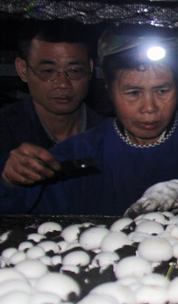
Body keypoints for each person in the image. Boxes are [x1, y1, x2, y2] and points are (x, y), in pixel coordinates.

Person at [0, 26, 178, 216]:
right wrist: (11, 181)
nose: (149, 108)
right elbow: (20, 214)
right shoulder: (80, 154)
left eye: (162, 90)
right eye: (133, 92)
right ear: (110, 92)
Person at [0, 20, 104, 187]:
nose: (63, 84)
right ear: (22, 69)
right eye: (48, 71)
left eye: (75, 71)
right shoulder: (5, 132)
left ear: (90, 68)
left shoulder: (113, 136)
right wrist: (7, 180)